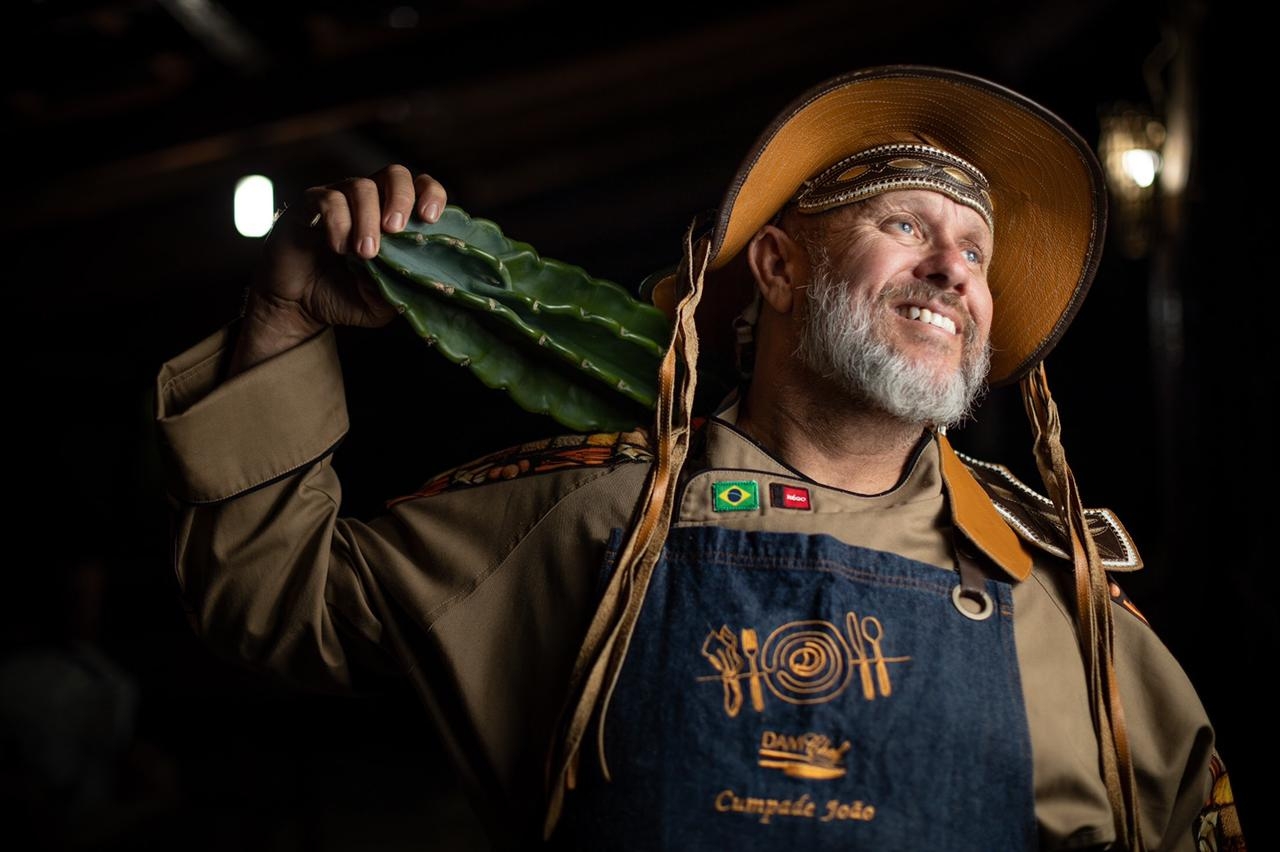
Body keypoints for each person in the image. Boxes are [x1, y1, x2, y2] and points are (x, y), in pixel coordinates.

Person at [153, 66, 1243, 850]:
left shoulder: (1060, 599)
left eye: (973, 251)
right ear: (775, 265)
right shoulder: (582, 516)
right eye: (906, 227)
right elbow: (267, 603)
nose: (952, 270)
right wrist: (285, 317)